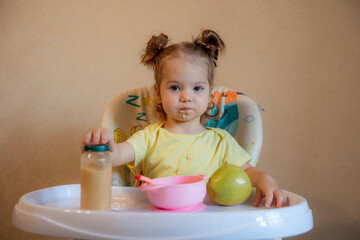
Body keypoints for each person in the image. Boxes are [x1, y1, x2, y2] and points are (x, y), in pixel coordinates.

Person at [81, 29, 287, 208]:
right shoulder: (150, 137)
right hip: (159, 224)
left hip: (207, 227)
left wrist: (263, 178)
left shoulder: (221, 141)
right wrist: (103, 147)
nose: (186, 97)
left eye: (197, 88)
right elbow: (117, 156)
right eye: (174, 87)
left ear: (209, 94)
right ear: (158, 93)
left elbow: (246, 172)